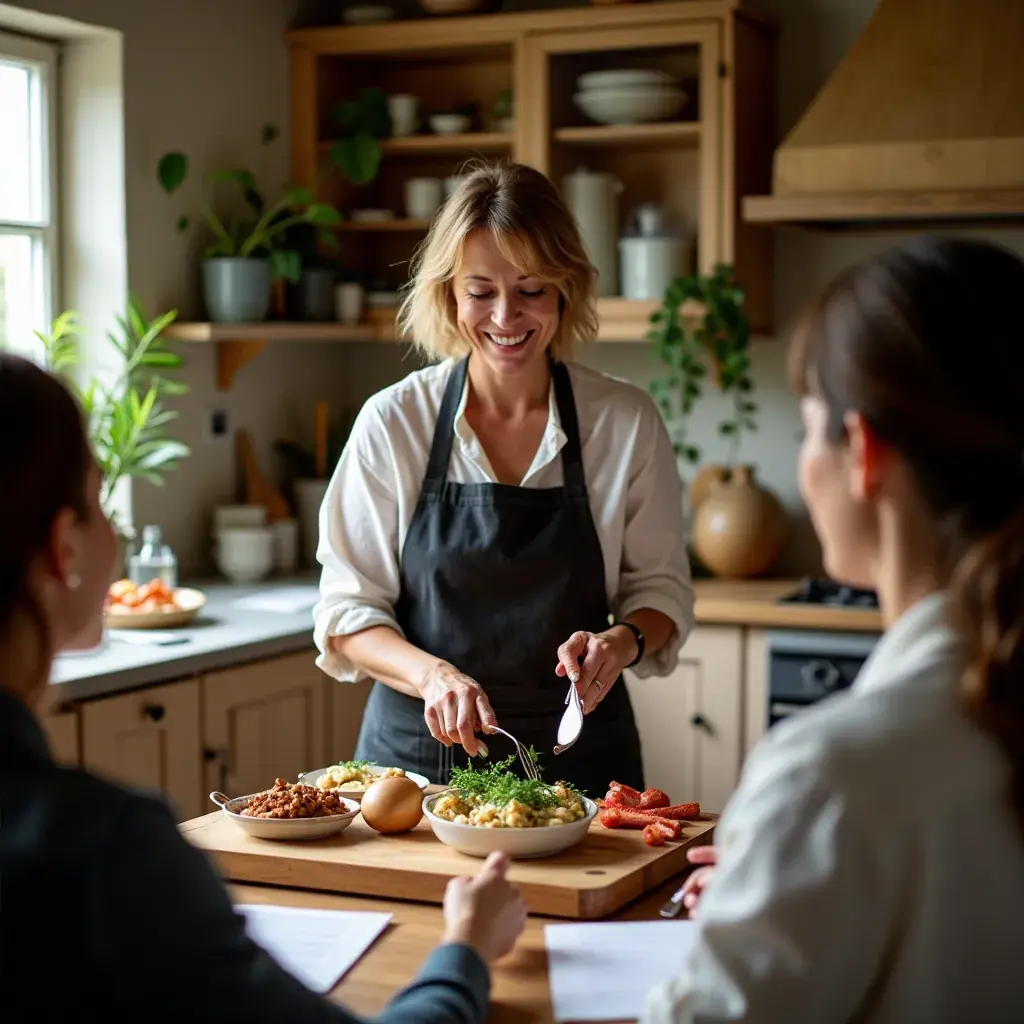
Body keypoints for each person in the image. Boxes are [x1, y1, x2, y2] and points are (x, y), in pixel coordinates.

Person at [0, 352, 526, 1023]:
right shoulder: (109, 852)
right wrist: (468, 950)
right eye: (100, 503)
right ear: (59, 548)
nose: (117, 530)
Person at [643, 237, 1024, 1023]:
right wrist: (782, 889)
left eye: (806, 427)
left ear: (861, 452)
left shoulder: (826, 774)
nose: (802, 461)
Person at [313, 162, 693, 797]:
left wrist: (620, 643)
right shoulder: (395, 421)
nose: (505, 316)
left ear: (566, 289)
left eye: (532, 289)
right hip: (413, 774)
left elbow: (660, 593)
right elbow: (347, 613)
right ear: (449, 294)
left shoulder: (623, 423)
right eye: (480, 290)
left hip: (582, 765)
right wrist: (435, 677)